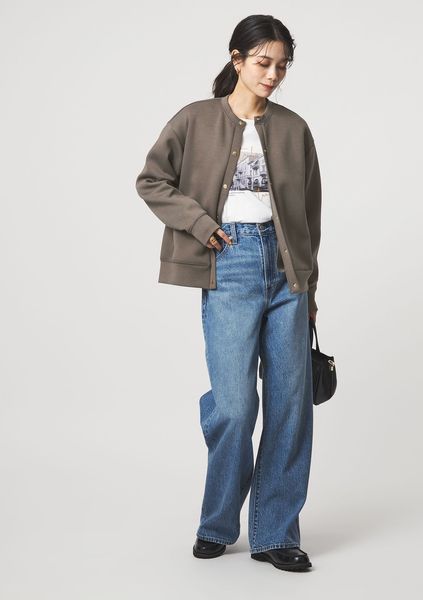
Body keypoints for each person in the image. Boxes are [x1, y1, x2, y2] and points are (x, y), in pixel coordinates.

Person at [135, 14, 323, 572]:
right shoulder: (195, 119)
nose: (273, 75)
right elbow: (151, 180)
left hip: (288, 272)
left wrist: (310, 288)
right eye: (263, 63)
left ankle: (275, 533)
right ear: (237, 59)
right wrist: (200, 224)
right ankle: (217, 523)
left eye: (282, 66)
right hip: (230, 264)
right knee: (235, 407)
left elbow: (310, 215)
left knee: (290, 406)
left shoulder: (294, 129)